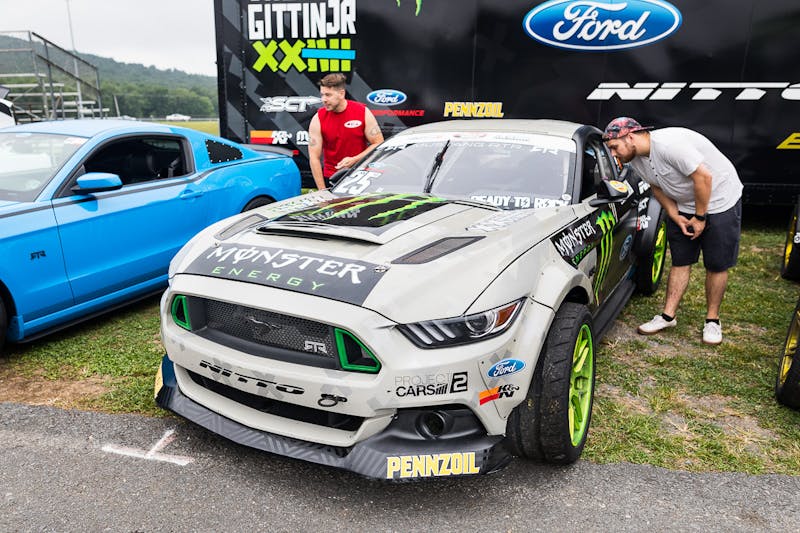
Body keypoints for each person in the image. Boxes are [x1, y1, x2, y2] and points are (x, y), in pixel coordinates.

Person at [602, 117, 743, 345]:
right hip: (686, 204)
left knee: (716, 264)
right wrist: (674, 214)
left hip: (720, 199)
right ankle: (668, 316)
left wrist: (699, 218)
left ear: (629, 137)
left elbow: (704, 178)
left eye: (614, 147)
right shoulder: (635, 158)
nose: (614, 154)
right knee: (680, 260)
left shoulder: (669, 146)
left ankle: (712, 321)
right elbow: (656, 186)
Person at [308, 73, 384, 190]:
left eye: (328, 95)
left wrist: (355, 159)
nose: (324, 99)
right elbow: (314, 157)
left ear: (341, 93)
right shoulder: (318, 118)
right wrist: (322, 190)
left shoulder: (362, 112)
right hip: (332, 177)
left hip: (360, 174)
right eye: (322, 95)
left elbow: (378, 143)